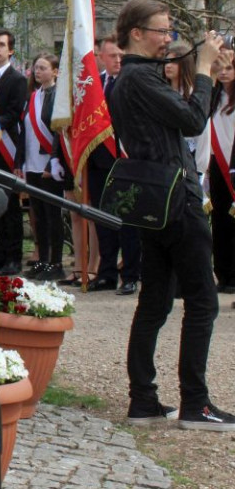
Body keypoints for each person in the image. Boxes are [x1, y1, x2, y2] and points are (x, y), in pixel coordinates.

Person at [110, 0, 235, 430]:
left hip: (153, 199)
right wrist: (204, 70)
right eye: (162, 31)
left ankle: (143, 400)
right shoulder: (140, 78)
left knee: (156, 301)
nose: (168, 39)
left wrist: (207, 74)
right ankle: (195, 403)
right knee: (202, 300)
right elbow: (194, 120)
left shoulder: (130, 77)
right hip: (176, 197)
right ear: (137, 33)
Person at [86, 34, 143, 296]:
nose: (118, 60)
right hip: (98, 162)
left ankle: (130, 275)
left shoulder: (133, 84)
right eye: (112, 56)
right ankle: (106, 273)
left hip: (125, 161)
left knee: (128, 221)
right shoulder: (94, 85)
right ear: (101, 57)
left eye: (122, 55)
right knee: (103, 220)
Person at [15, 53, 66, 281]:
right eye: (36, 67)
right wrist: (19, 162)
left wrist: (52, 160)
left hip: (49, 165)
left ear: (55, 72)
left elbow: (58, 133)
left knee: (53, 216)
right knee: (39, 216)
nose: (38, 71)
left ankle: (56, 262)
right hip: (32, 164)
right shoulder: (33, 97)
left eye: (43, 68)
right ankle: (42, 260)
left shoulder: (58, 97)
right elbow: (24, 131)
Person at [0, 29, 27, 276]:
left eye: (1, 45)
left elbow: (14, 113)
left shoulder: (17, 79)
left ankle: (13, 258)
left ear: (11, 50)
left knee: (9, 207)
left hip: (6, 148)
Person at [209, 54, 235, 293]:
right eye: (220, 68)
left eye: (229, 67)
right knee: (220, 218)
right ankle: (223, 273)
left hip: (233, 163)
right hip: (217, 163)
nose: (224, 72)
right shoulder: (212, 98)